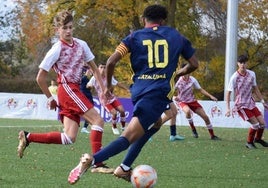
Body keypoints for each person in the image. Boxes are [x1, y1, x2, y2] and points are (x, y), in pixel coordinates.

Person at [68, 4, 199, 184]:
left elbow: (111, 60)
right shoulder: (176, 36)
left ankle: (124, 168)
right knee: (129, 136)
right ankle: (92, 160)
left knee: (157, 123)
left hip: (139, 91)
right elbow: (194, 63)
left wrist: (107, 87)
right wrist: (179, 73)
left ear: (145, 19)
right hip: (157, 93)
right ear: (163, 21)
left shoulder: (133, 37)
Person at [17, 10, 114, 174]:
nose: (68, 31)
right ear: (57, 30)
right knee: (97, 121)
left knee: (69, 138)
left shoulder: (82, 45)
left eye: (70, 27)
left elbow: (95, 69)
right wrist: (50, 98)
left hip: (73, 89)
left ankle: (28, 137)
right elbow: (40, 78)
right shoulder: (56, 49)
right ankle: (98, 163)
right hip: (68, 88)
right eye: (64, 28)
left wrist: (103, 88)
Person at [225, 54, 268, 149]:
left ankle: (258, 139)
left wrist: (262, 101)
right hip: (241, 105)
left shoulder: (252, 74)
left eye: (244, 63)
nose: (243, 65)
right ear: (238, 64)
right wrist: (228, 109)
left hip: (251, 103)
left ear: (247, 63)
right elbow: (228, 93)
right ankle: (249, 143)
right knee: (255, 124)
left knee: (262, 124)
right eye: (241, 63)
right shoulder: (234, 77)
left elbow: (255, 88)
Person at [172, 63, 220, 140]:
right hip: (182, 101)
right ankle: (193, 129)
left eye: (187, 70)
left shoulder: (193, 79)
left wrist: (211, 96)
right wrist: (175, 97)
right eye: (184, 71)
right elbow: (171, 91)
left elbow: (200, 89)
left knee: (205, 117)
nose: (186, 72)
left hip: (192, 101)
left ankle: (212, 135)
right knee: (187, 111)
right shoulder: (178, 80)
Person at [87, 62, 129, 135]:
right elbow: (89, 84)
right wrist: (89, 86)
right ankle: (114, 127)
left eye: (104, 67)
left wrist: (127, 89)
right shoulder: (95, 78)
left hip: (112, 98)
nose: (103, 69)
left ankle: (123, 127)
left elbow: (117, 83)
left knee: (122, 111)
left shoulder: (109, 77)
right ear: (98, 69)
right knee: (114, 113)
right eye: (101, 67)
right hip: (104, 101)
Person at [80, 66, 94, 134]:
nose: (90, 72)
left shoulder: (88, 79)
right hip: (85, 98)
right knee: (86, 113)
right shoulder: (83, 78)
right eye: (89, 71)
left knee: (89, 113)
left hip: (88, 97)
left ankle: (84, 128)